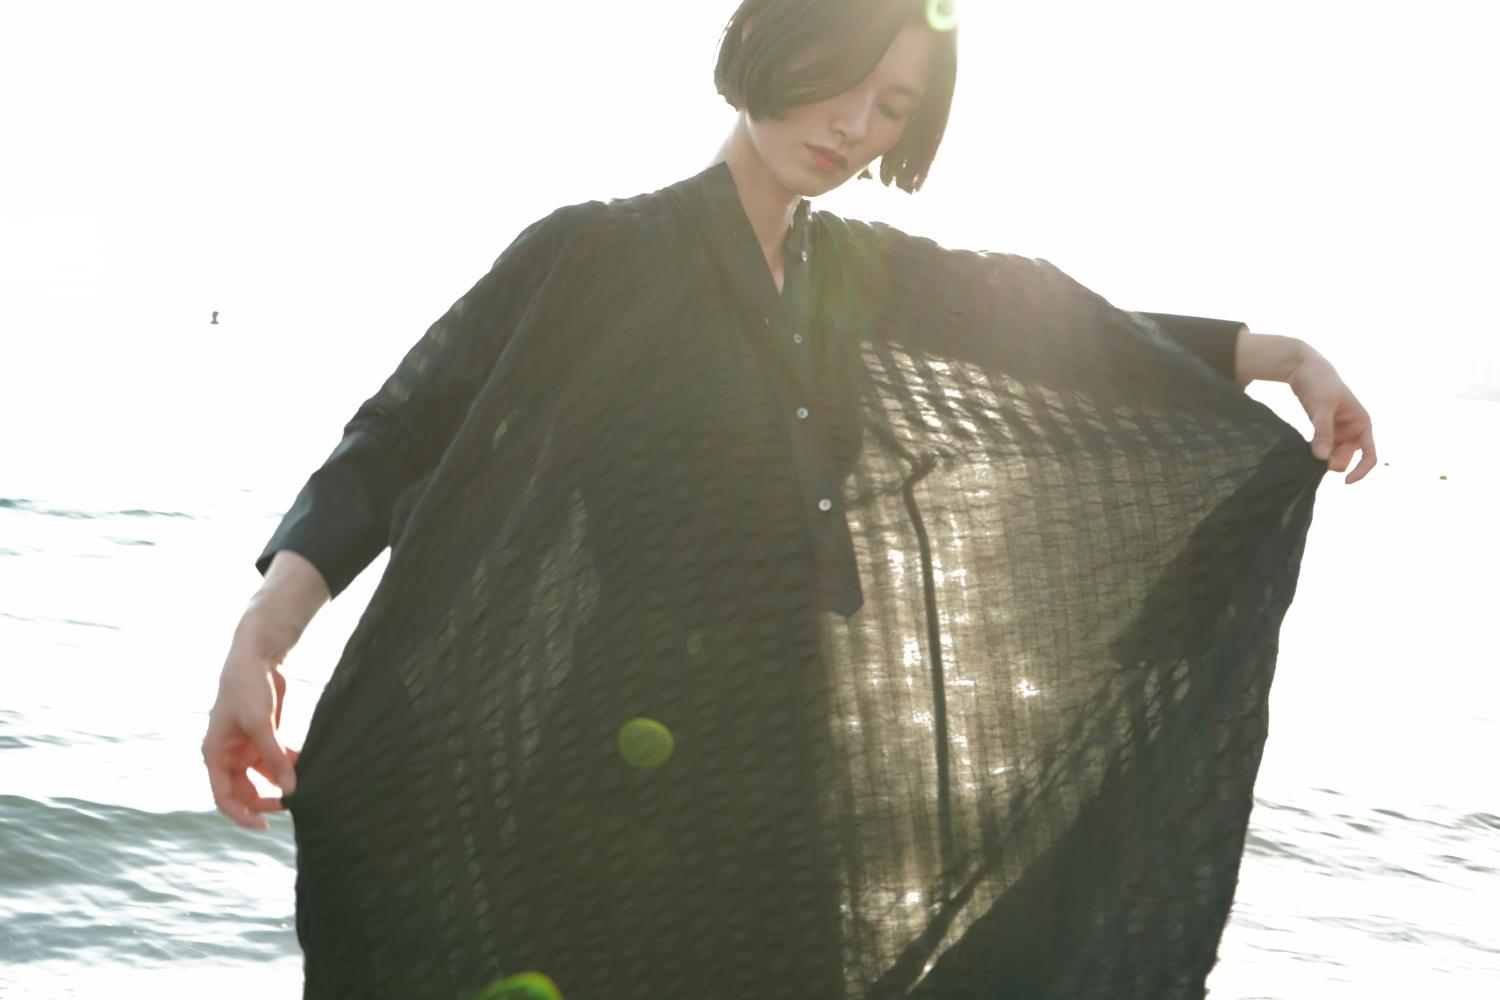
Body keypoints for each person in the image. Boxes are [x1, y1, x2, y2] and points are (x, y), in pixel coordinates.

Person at [202, 1, 1375, 997]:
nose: (856, 128)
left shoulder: (853, 276)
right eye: (840, 83)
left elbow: (1052, 325)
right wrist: (262, 637)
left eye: (893, 107)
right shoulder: (596, 255)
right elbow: (398, 437)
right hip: (617, 778)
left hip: (792, 785)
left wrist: (1276, 354)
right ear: (773, 46)